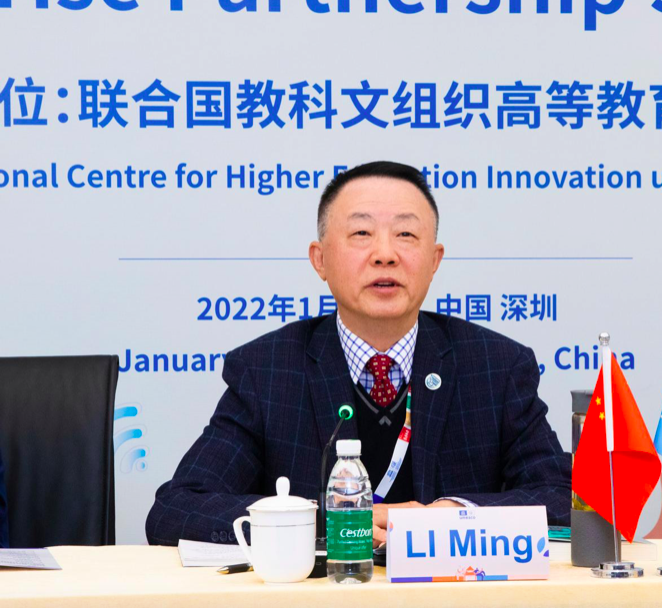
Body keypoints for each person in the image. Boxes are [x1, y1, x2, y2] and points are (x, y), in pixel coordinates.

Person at [146, 161, 571, 547]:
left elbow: (563, 499)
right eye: (361, 234)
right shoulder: (267, 370)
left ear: (434, 260)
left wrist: (455, 516)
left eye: (406, 235)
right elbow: (176, 509)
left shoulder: (496, 367)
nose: (385, 254)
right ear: (320, 260)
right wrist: (332, 523)